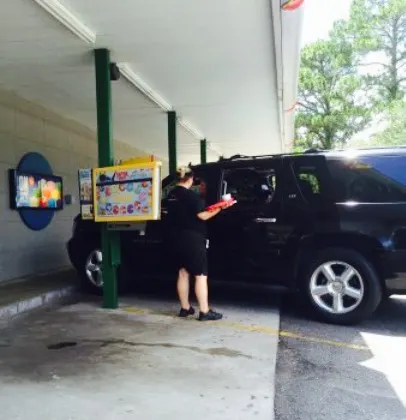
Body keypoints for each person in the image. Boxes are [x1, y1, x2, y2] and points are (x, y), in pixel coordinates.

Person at [165, 166, 234, 321]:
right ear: (191, 179)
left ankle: (185, 308)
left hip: (176, 237)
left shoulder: (171, 195)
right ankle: (204, 311)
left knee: (183, 272)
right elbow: (203, 216)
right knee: (201, 274)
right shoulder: (191, 196)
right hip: (192, 239)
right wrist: (221, 207)